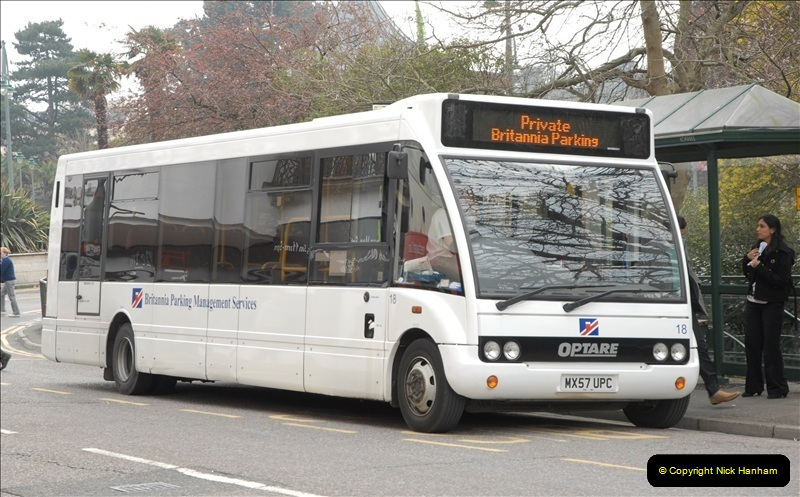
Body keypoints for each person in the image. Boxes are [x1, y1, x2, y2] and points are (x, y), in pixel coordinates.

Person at [677, 216, 740, 405]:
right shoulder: (668, 247)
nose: (683, 237)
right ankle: (713, 389)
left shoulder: (673, 246)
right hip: (676, 304)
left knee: (699, 345)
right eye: (682, 233)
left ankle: (713, 390)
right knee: (698, 345)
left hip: (682, 304)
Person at [741, 214, 795, 399]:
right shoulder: (757, 248)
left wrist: (759, 267)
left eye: (762, 226)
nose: (758, 229)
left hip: (772, 303)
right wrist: (746, 259)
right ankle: (753, 386)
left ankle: (777, 387)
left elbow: (780, 280)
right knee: (752, 344)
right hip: (753, 301)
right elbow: (748, 273)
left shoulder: (783, 253)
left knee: (771, 346)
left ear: (772, 229)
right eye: (758, 225)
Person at [1, 246, 21, 318]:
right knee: (1, 294)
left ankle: (16, 312)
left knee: (11, 297)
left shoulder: (6, 261)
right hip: (8, 280)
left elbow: (2, 271)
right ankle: (2, 310)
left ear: (5, 253)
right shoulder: (4, 260)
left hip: (9, 281)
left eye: (0, 253)